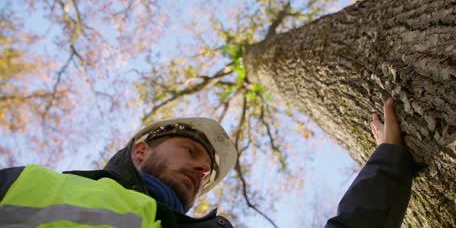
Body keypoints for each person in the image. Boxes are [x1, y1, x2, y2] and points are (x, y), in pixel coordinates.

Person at [0, 98, 415, 228]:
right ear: (140, 151)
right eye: (192, 152)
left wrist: (388, 162)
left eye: (207, 174)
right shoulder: (30, 182)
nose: (202, 172)